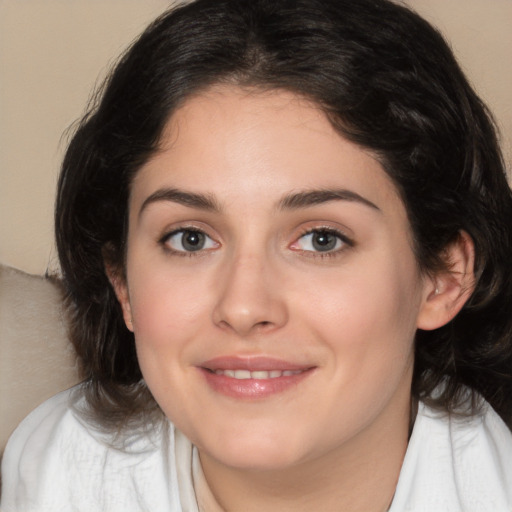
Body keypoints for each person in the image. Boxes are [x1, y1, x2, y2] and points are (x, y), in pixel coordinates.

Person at [2, 0, 512, 510]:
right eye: (190, 239)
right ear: (122, 282)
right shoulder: (53, 471)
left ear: (444, 276)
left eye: (321, 239)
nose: (244, 308)